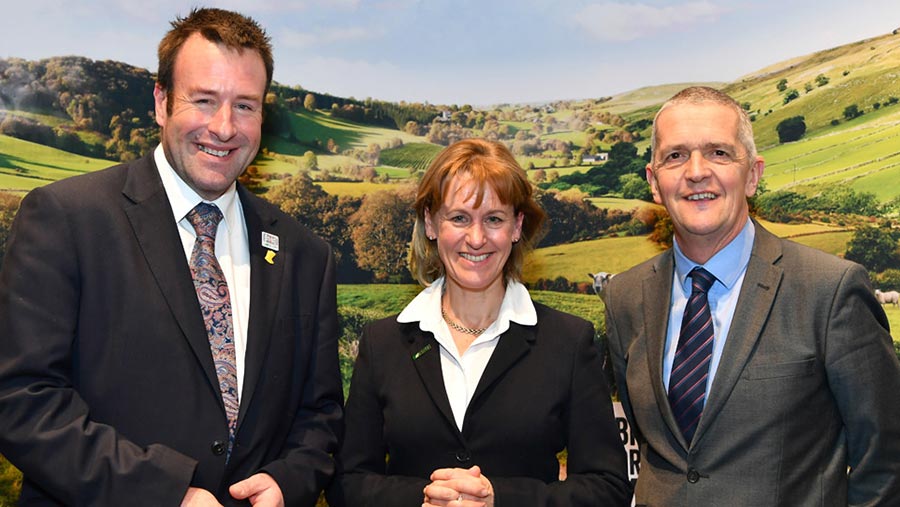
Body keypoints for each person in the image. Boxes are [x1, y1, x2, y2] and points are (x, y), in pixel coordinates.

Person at [0, 8, 342, 506]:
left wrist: (289, 480)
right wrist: (165, 493)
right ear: (161, 102)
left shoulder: (303, 253)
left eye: (245, 106)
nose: (224, 128)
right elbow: (22, 399)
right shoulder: (66, 219)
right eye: (204, 100)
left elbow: (321, 413)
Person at [604, 86, 900, 506]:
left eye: (719, 153)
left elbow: (886, 462)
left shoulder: (830, 291)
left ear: (754, 174)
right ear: (654, 182)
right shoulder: (624, 297)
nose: (696, 172)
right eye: (675, 156)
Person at [326, 138, 631, 507]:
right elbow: (347, 483)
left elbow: (607, 488)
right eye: (459, 218)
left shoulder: (568, 342)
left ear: (517, 226)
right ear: (430, 223)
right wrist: (423, 499)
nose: (476, 238)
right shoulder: (383, 343)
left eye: (494, 219)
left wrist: (498, 499)